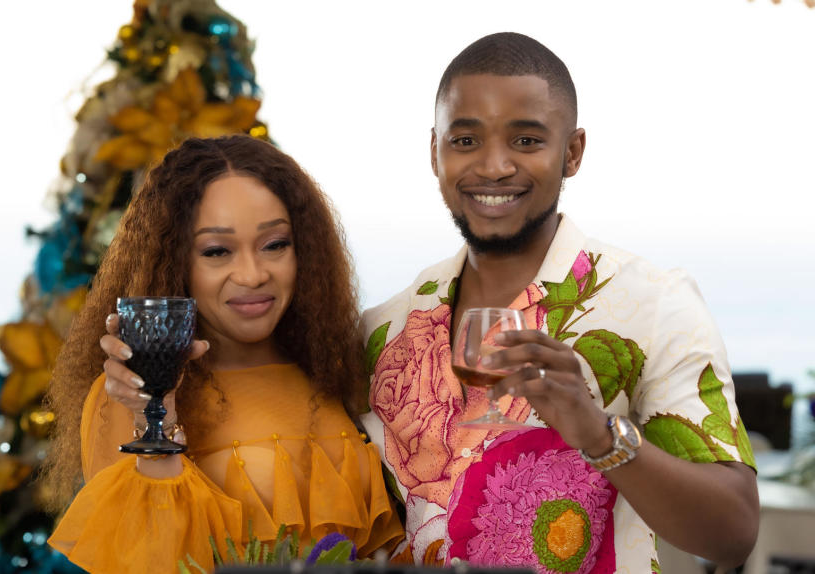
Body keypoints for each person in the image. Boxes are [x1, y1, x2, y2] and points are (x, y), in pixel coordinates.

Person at [359, 32, 759, 572]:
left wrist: (598, 433)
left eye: (526, 141)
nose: (495, 166)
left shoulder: (656, 306)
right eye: (465, 141)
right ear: (435, 152)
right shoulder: (385, 327)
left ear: (572, 152)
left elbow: (733, 533)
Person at [43, 135, 404, 573]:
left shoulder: (336, 372)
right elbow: (149, 563)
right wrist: (158, 417)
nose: (253, 275)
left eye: (275, 244)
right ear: (176, 262)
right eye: (217, 251)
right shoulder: (130, 397)